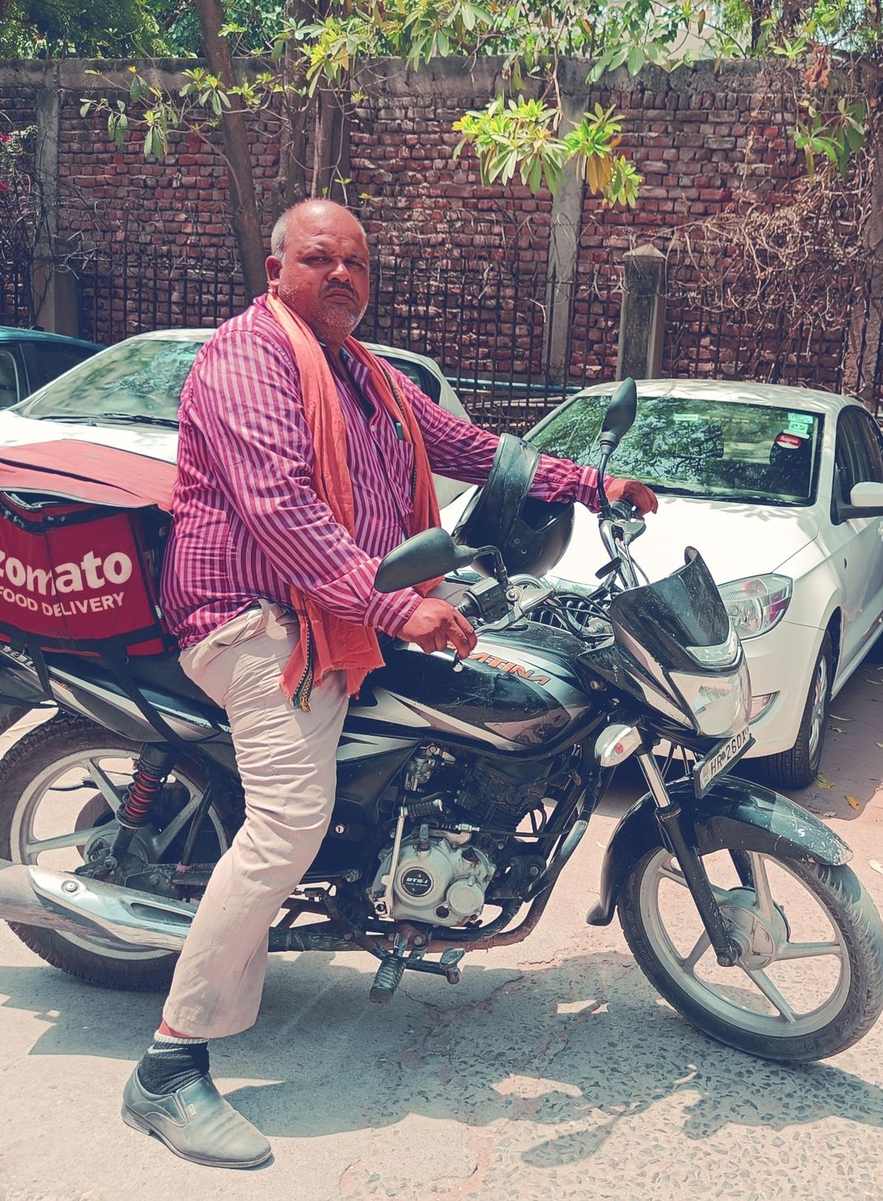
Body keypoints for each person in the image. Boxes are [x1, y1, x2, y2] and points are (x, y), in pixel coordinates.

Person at [121, 199, 657, 1169]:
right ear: (276, 265)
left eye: (356, 262)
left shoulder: (360, 371)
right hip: (252, 618)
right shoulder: (248, 358)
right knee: (287, 819)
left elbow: (460, 446)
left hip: (337, 599)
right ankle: (169, 1065)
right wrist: (395, 605)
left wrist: (589, 484)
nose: (342, 275)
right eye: (320, 258)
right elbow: (280, 508)